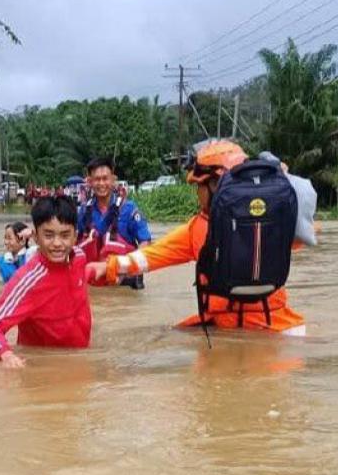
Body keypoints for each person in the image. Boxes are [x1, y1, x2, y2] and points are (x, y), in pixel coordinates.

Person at [90, 139, 307, 335]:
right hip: (278, 328)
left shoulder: (198, 229)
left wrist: (107, 267)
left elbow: (153, 256)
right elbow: (306, 236)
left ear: (214, 185)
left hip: (227, 328)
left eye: (198, 187)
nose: (197, 193)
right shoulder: (278, 215)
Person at [0, 196, 94, 369]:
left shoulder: (79, 257)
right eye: (48, 235)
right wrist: (6, 355)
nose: (57, 243)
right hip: (45, 367)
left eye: (65, 235)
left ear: (75, 237)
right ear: (35, 237)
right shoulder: (28, 281)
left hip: (81, 360)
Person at [76, 157, 152, 289]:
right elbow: (73, 244)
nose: (101, 183)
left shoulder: (129, 209)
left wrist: (131, 266)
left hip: (124, 284)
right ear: (89, 182)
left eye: (105, 178)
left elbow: (145, 243)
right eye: (97, 179)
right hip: (94, 284)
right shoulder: (83, 211)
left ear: (113, 179)